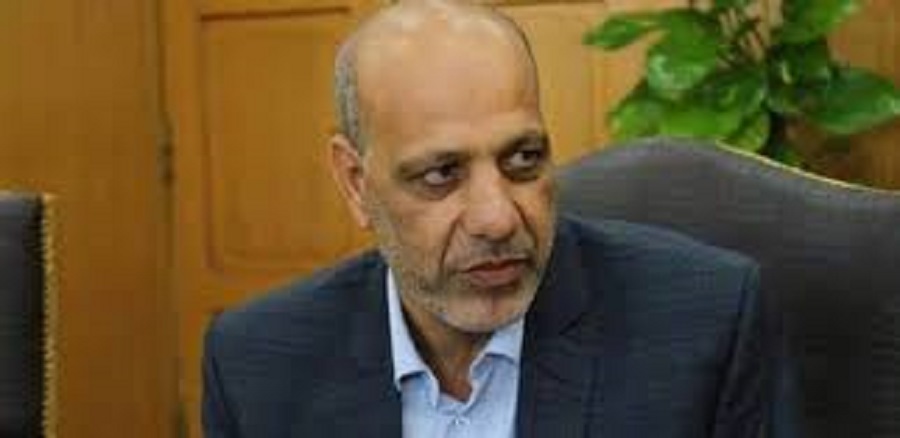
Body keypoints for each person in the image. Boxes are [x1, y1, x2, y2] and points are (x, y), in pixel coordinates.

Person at [201, 1, 775, 437]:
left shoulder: (704, 326)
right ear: (356, 183)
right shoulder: (257, 366)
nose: (497, 219)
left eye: (523, 160)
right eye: (441, 174)